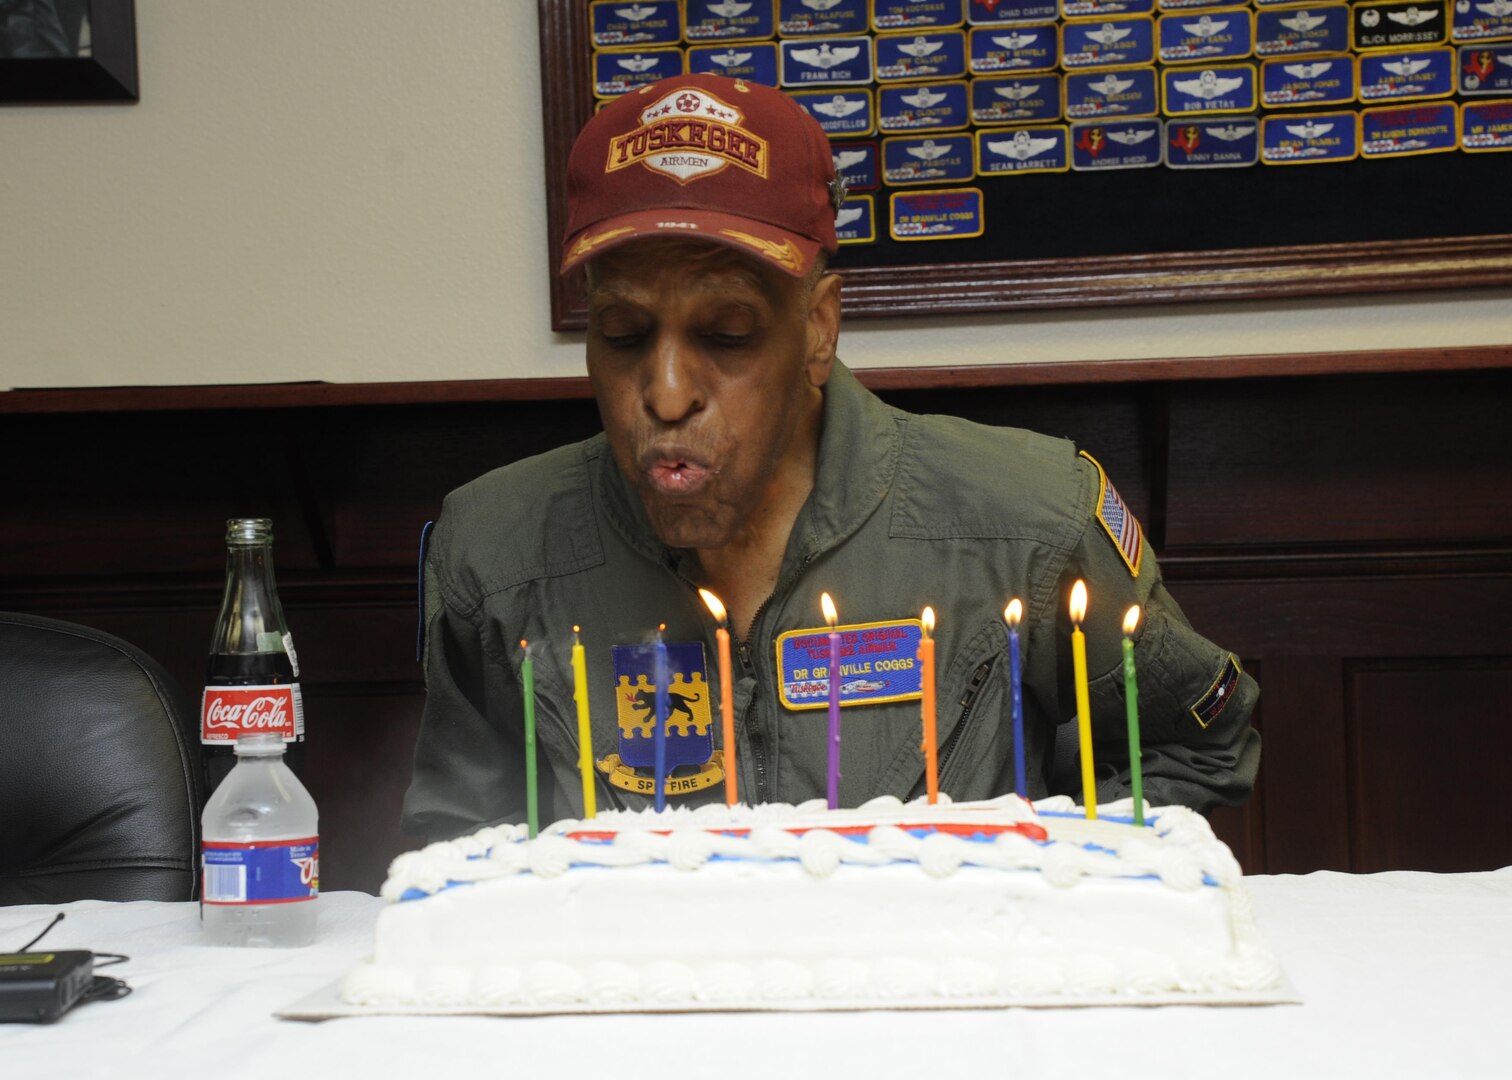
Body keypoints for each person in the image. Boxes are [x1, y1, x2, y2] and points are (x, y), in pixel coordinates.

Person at [402, 73, 1258, 842]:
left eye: (727, 334)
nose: (665, 394)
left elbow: (1202, 745)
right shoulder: (497, 552)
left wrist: (1038, 886)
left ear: (817, 328)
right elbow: (455, 845)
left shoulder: (1029, 520)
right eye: (623, 335)